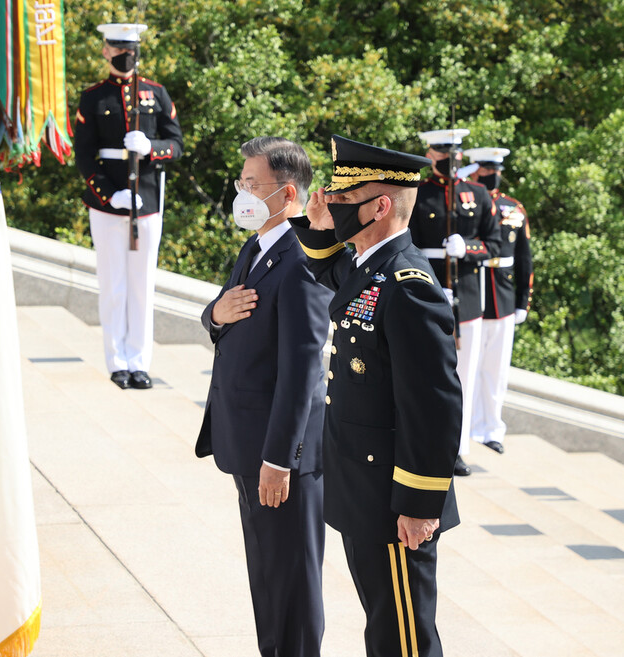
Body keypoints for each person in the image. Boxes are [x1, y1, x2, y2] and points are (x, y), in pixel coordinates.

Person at [290, 134, 463, 657]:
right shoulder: (373, 266)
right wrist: (320, 226)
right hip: (364, 489)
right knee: (382, 624)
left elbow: (434, 405)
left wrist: (418, 503)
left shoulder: (409, 283)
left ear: (380, 205)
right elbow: (331, 271)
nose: (333, 205)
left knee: (403, 637)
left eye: (343, 200)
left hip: (396, 504)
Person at [195, 137, 333, 657]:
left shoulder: (302, 260)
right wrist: (214, 314)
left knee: (292, 584)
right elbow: (229, 313)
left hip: (280, 457)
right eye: (242, 184)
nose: (243, 194)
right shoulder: (257, 245)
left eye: (253, 185)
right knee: (268, 577)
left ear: (287, 193)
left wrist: (279, 458)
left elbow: (303, 369)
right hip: (247, 443)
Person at [73, 22, 183, 390]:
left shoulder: (156, 93)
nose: (125, 54)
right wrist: (109, 194)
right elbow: (84, 157)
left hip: (148, 201)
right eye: (117, 47)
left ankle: (139, 362)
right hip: (108, 204)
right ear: (106, 50)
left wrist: (151, 147)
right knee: (113, 284)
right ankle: (116, 360)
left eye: (130, 47)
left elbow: (177, 143)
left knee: (142, 285)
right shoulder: (93, 97)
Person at [410, 129, 501, 476]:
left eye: (453, 151)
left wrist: (470, 249)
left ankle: (455, 450)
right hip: (427, 293)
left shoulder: (477, 194)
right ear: (431, 154)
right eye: (441, 151)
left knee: (462, 377)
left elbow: (494, 243)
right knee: (422, 373)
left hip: (468, 299)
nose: (449, 157)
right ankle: (421, 443)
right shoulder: (419, 194)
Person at [463, 146, 534, 454]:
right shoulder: (468, 203)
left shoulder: (513, 207)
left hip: (502, 295)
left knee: (496, 369)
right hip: (472, 291)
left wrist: (522, 301)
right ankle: (463, 431)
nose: (492, 174)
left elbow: (524, 258)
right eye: (486, 168)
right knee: (465, 369)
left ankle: (491, 428)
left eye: (495, 169)